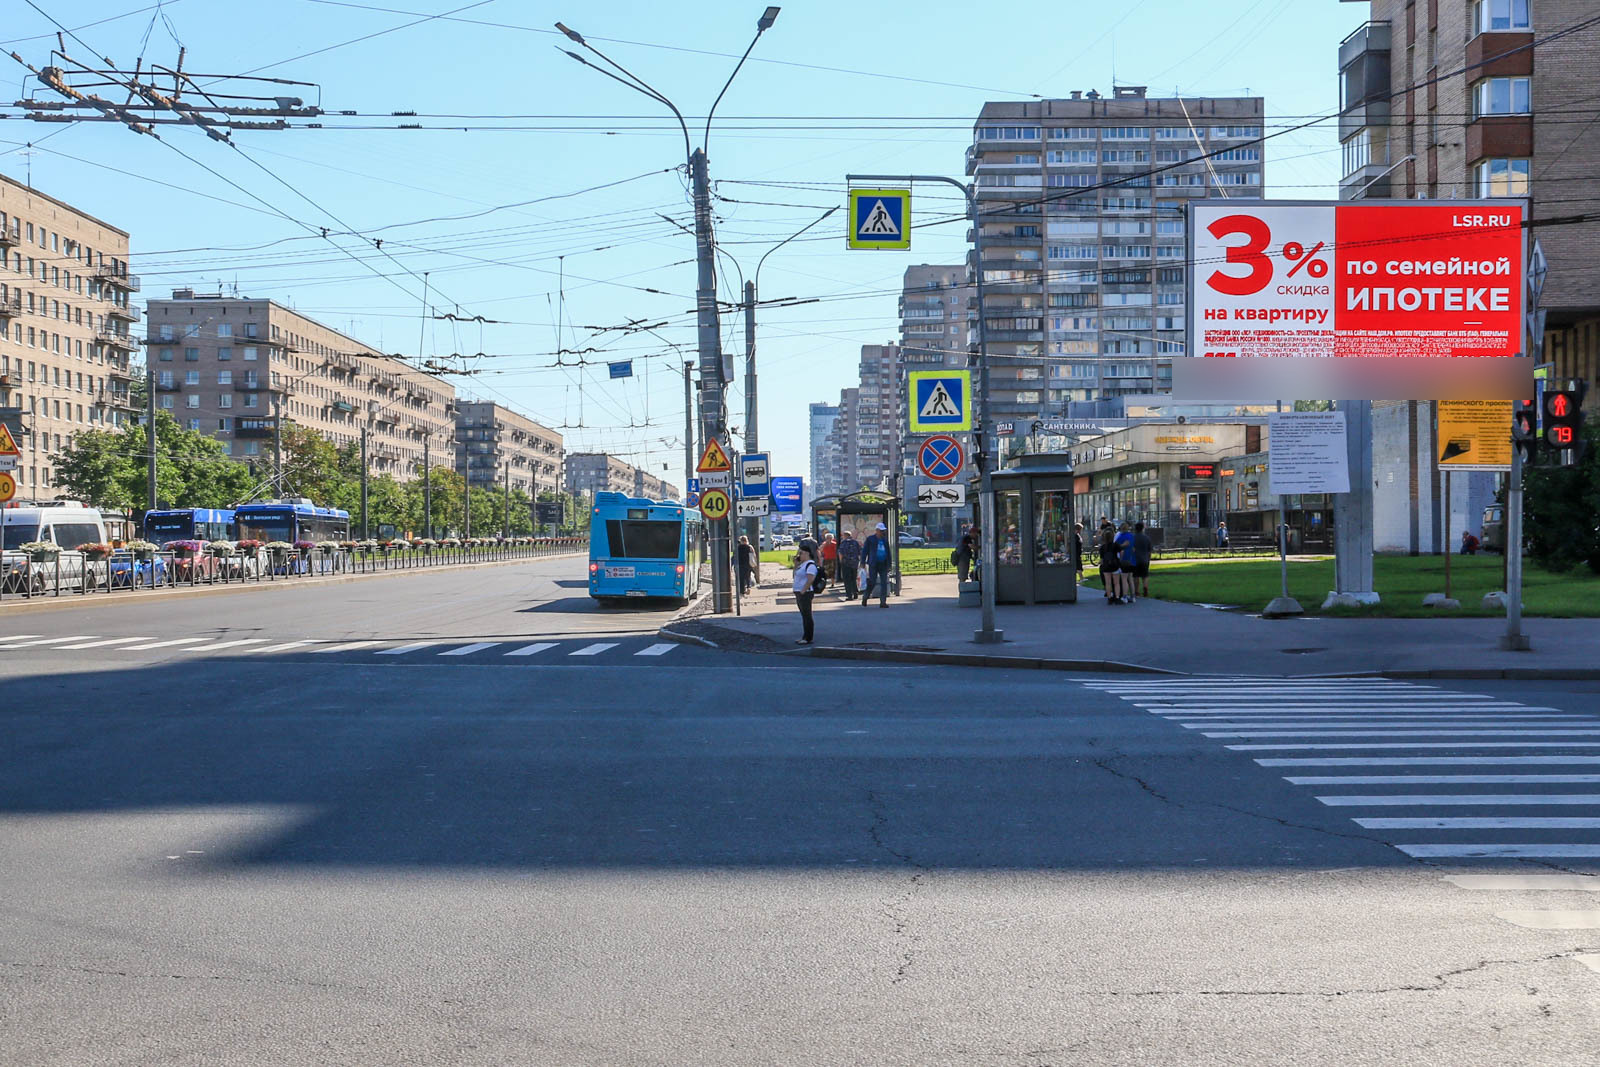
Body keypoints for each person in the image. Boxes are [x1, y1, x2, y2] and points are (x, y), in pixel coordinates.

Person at [860, 521, 892, 607]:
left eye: (883, 530)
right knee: (872, 582)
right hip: (873, 564)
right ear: (877, 530)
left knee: (884, 583)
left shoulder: (885, 540)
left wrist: (889, 564)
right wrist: (862, 562)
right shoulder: (871, 539)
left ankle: (883, 602)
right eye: (881, 530)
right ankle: (865, 596)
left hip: (883, 564)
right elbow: (865, 551)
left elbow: (888, 552)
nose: (882, 532)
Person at [792, 544, 819, 644]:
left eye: (801, 553)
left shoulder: (810, 565)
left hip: (806, 592)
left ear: (807, 554)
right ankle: (804, 636)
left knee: (807, 615)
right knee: (803, 615)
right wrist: (795, 564)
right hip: (799, 591)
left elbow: (810, 579)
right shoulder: (802, 564)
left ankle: (808, 637)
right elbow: (795, 575)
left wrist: (803, 590)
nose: (799, 555)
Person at [1097, 526, 1122, 605]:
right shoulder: (1116, 545)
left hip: (1106, 566)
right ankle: (1117, 597)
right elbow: (1121, 553)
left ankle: (1109, 598)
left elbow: (1101, 559)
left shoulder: (1102, 547)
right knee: (1116, 583)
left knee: (1108, 583)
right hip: (1115, 565)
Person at [1114, 521, 1137, 603]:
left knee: (1124, 579)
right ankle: (1133, 596)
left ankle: (1124, 596)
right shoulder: (1131, 536)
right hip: (1132, 559)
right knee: (1130, 578)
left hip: (1124, 559)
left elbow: (1116, 547)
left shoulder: (1120, 537)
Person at [1132, 521, 1154, 599]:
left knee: (1136, 576)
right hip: (1145, 559)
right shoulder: (1147, 538)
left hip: (1135, 560)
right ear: (1142, 529)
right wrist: (1148, 559)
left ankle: (1136, 592)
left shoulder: (1133, 537)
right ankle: (1145, 588)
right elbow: (1149, 550)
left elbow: (1131, 549)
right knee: (1145, 576)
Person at [837, 529, 861, 599]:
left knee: (847, 579)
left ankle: (849, 595)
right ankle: (855, 592)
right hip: (854, 563)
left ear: (845, 536)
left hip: (846, 563)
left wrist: (841, 561)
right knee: (854, 578)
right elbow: (859, 552)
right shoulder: (855, 542)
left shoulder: (843, 543)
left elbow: (840, 553)